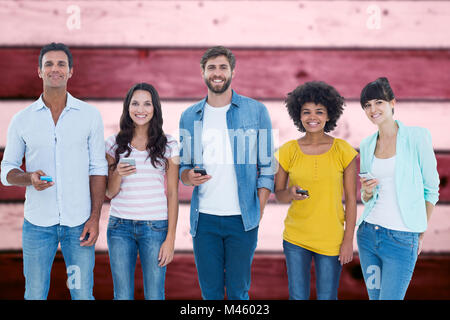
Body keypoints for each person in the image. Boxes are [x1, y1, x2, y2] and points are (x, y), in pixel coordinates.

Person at [0, 42, 108, 300]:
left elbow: (97, 168)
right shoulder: (22, 119)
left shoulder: (89, 116)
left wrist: (94, 217)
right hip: (38, 225)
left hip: (79, 224)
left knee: (82, 294)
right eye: (49, 64)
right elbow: (7, 170)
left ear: (71, 71)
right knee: (35, 293)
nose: (55, 69)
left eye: (61, 64)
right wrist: (28, 178)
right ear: (39, 71)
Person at [178, 46, 274, 300]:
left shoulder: (256, 111)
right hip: (205, 220)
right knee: (210, 294)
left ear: (232, 71)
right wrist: (189, 177)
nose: (217, 73)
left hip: (242, 220)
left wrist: (259, 209)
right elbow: (184, 168)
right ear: (202, 73)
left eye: (223, 67)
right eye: (211, 68)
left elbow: (266, 167)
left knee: (238, 292)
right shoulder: (189, 116)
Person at [357, 77, 440, 300]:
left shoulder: (416, 137)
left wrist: (419, 233)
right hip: (368, 236)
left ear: (392, 103)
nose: (373, 109)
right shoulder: (366, 145)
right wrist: (366, 191)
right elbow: (368, 197)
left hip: (402, 240)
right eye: (367, 105)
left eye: (378, 102)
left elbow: (431, 189)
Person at [274, 81, 357, 300]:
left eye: (319, 112)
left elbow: (351, 199)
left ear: (329, 115)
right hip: (296, 238)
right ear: (298, 115)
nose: (313, 117)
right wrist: (290, 193)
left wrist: (348, 240)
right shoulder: (287, 151)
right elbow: (279, 195)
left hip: (331, 238)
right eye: (307, 112)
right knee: (298, 297)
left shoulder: (343, 151)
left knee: (327, 297)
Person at [105, 83, 179, 300]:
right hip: (119, 227)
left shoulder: (169, 144)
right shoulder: (113, 144)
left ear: (155, 108)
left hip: (155, 228)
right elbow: (110, 192)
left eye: (147, 104)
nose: (141, 109)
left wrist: (171, 239)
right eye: (135, 103)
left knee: (155, 294)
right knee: (122, 295)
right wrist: (118, 172)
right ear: (127, 107)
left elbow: (173, 193)